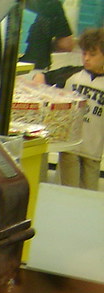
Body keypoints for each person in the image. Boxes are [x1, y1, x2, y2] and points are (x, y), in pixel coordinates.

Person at [55, 29, 104, 190]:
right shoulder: (72, 76)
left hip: (93, 149)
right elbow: (44, 78)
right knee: (67, 190)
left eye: (93, 54)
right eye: (84, 54)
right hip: (70, 146)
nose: (87, 58)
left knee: (88, 194)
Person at [22, 0, 76, 72]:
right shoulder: (51, 3)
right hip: (34, 69)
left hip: (5, 67)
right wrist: (44, 44)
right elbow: (65, 45)